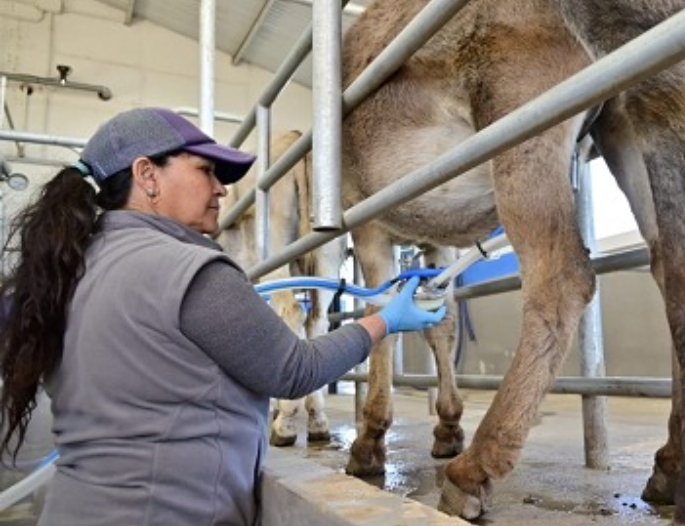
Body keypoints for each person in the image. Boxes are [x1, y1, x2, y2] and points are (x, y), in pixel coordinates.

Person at [0, 106, 447, 526]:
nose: (222, 189)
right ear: (147, 175)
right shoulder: (189, 269)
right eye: (205, 171)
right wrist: (385, 319)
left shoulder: (65, 269)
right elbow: (294, 370)